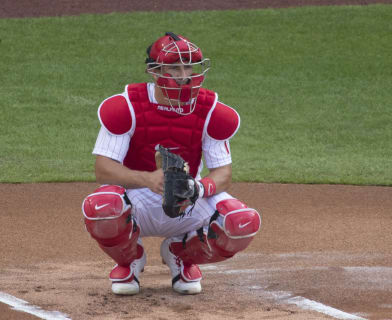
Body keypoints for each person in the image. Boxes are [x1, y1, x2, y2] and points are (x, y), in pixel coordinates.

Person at [81, 32, 261, 296]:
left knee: (240, 222)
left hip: (186, 199)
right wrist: (148, 179)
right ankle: (130, 258)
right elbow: (103, 169)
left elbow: (224, 174)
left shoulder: (210, 110)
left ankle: (180, 252)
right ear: (155, 71)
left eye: (188, 66)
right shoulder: (128, 106)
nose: (184, 74)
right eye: (175, 67)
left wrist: (199, 189)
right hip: (136, 199)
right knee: (102, 206)